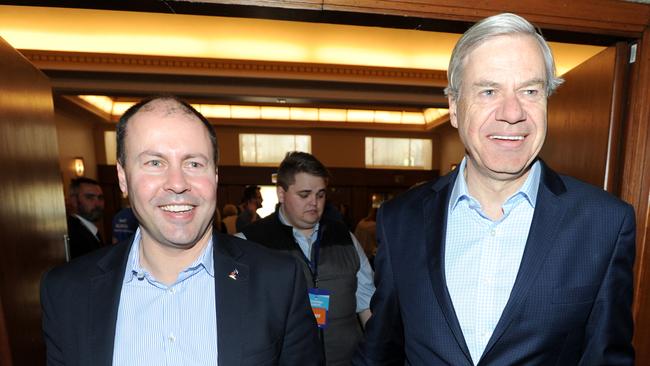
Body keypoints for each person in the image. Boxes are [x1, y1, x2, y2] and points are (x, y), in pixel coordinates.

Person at [354, 13, 636, 366]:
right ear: (454, 108)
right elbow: (381, 351)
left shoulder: (605, 223)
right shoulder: (401, 219)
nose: (513, 113)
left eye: (530, 91)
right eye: (489, 91)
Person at [41, 96, 322, 365]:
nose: (177, 183)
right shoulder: (67, 292)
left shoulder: (278, 281)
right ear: (123, 179)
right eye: (155, 163)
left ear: (214, 177)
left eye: (194, 163)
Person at [239, 151, 375, 366]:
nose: (314, 203)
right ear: (281, 193)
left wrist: (377, 355)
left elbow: (367, 305)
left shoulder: (345, 237)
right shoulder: (250, 242)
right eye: (304, 194)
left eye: (320, 194)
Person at [66, 177, 105, 259]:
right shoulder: (73, 234)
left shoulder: (88, 229)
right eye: (89, 197)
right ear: (74, 201)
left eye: (100, 197)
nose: (97, 203)